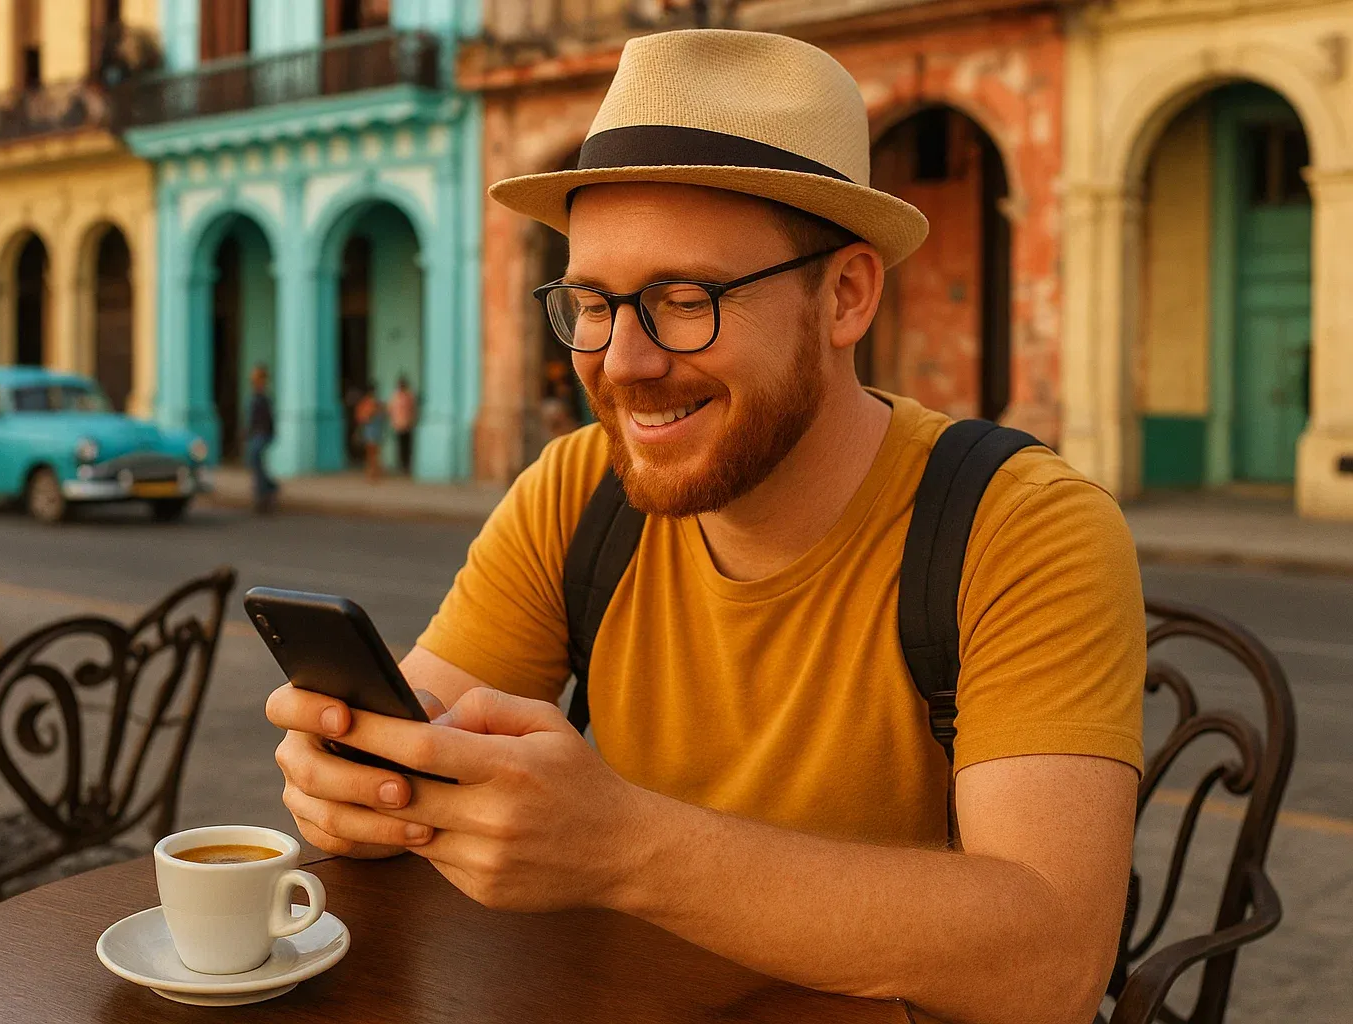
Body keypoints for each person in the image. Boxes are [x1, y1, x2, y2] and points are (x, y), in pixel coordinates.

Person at [268, 30, 1143, 1024]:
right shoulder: (577, 488)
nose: (623, 361)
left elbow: (1052, 960)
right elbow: (425, 721)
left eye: (685, 302)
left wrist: (622, 846)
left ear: (847, 293)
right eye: (592, 303)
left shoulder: (1020, 525)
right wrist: (362, 777)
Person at [245, 364, 277, 514]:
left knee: (256, 460)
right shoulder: (255, 397)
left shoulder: (264, 398)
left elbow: (268, 419)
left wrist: (266, 433)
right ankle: (269, 488)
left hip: (262, 434)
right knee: (256, 464)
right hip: (256, 434)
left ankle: (263, 494)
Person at [354, 385, 386, 483]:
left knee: (373, 453)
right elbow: (363, 418)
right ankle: (372, 473)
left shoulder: (371, 404)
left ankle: (373, 473)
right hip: (371, 431)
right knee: (372, 453)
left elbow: (361, 418)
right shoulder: (372, 404)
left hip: (373, 431)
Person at [389, 377, 417, 475]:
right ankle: (402, 465)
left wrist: (412, 420)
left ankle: (407, 465)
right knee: (400, 446)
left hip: (407, 425)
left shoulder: (409, 396)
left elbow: (412, 409)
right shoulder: (396, 396)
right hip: (398, 425)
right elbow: (391, 410)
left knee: (407, 446)